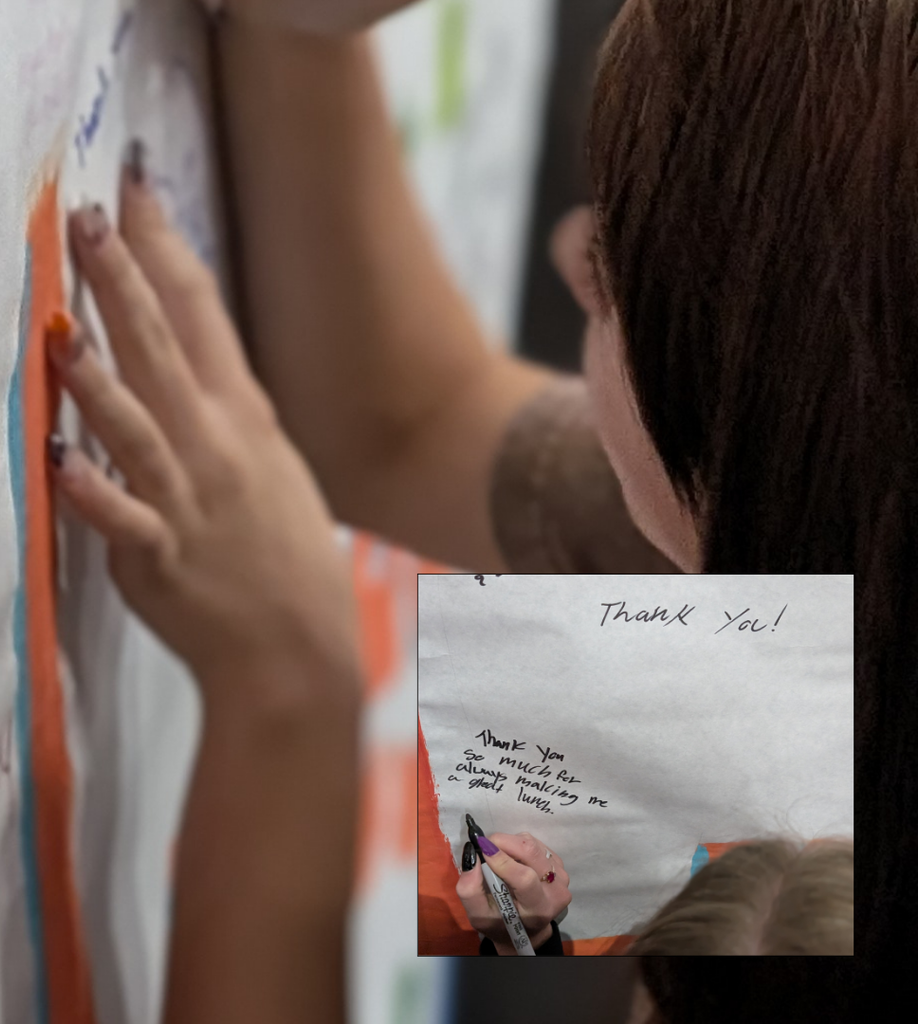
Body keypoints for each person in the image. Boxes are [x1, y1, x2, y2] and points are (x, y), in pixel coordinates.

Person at [47, 0, 914, 1021]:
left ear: (771, 435)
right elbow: (403, 424)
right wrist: (290, 28)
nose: (567, 250)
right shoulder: (842, 585)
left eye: (612, 272)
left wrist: (286, 692)